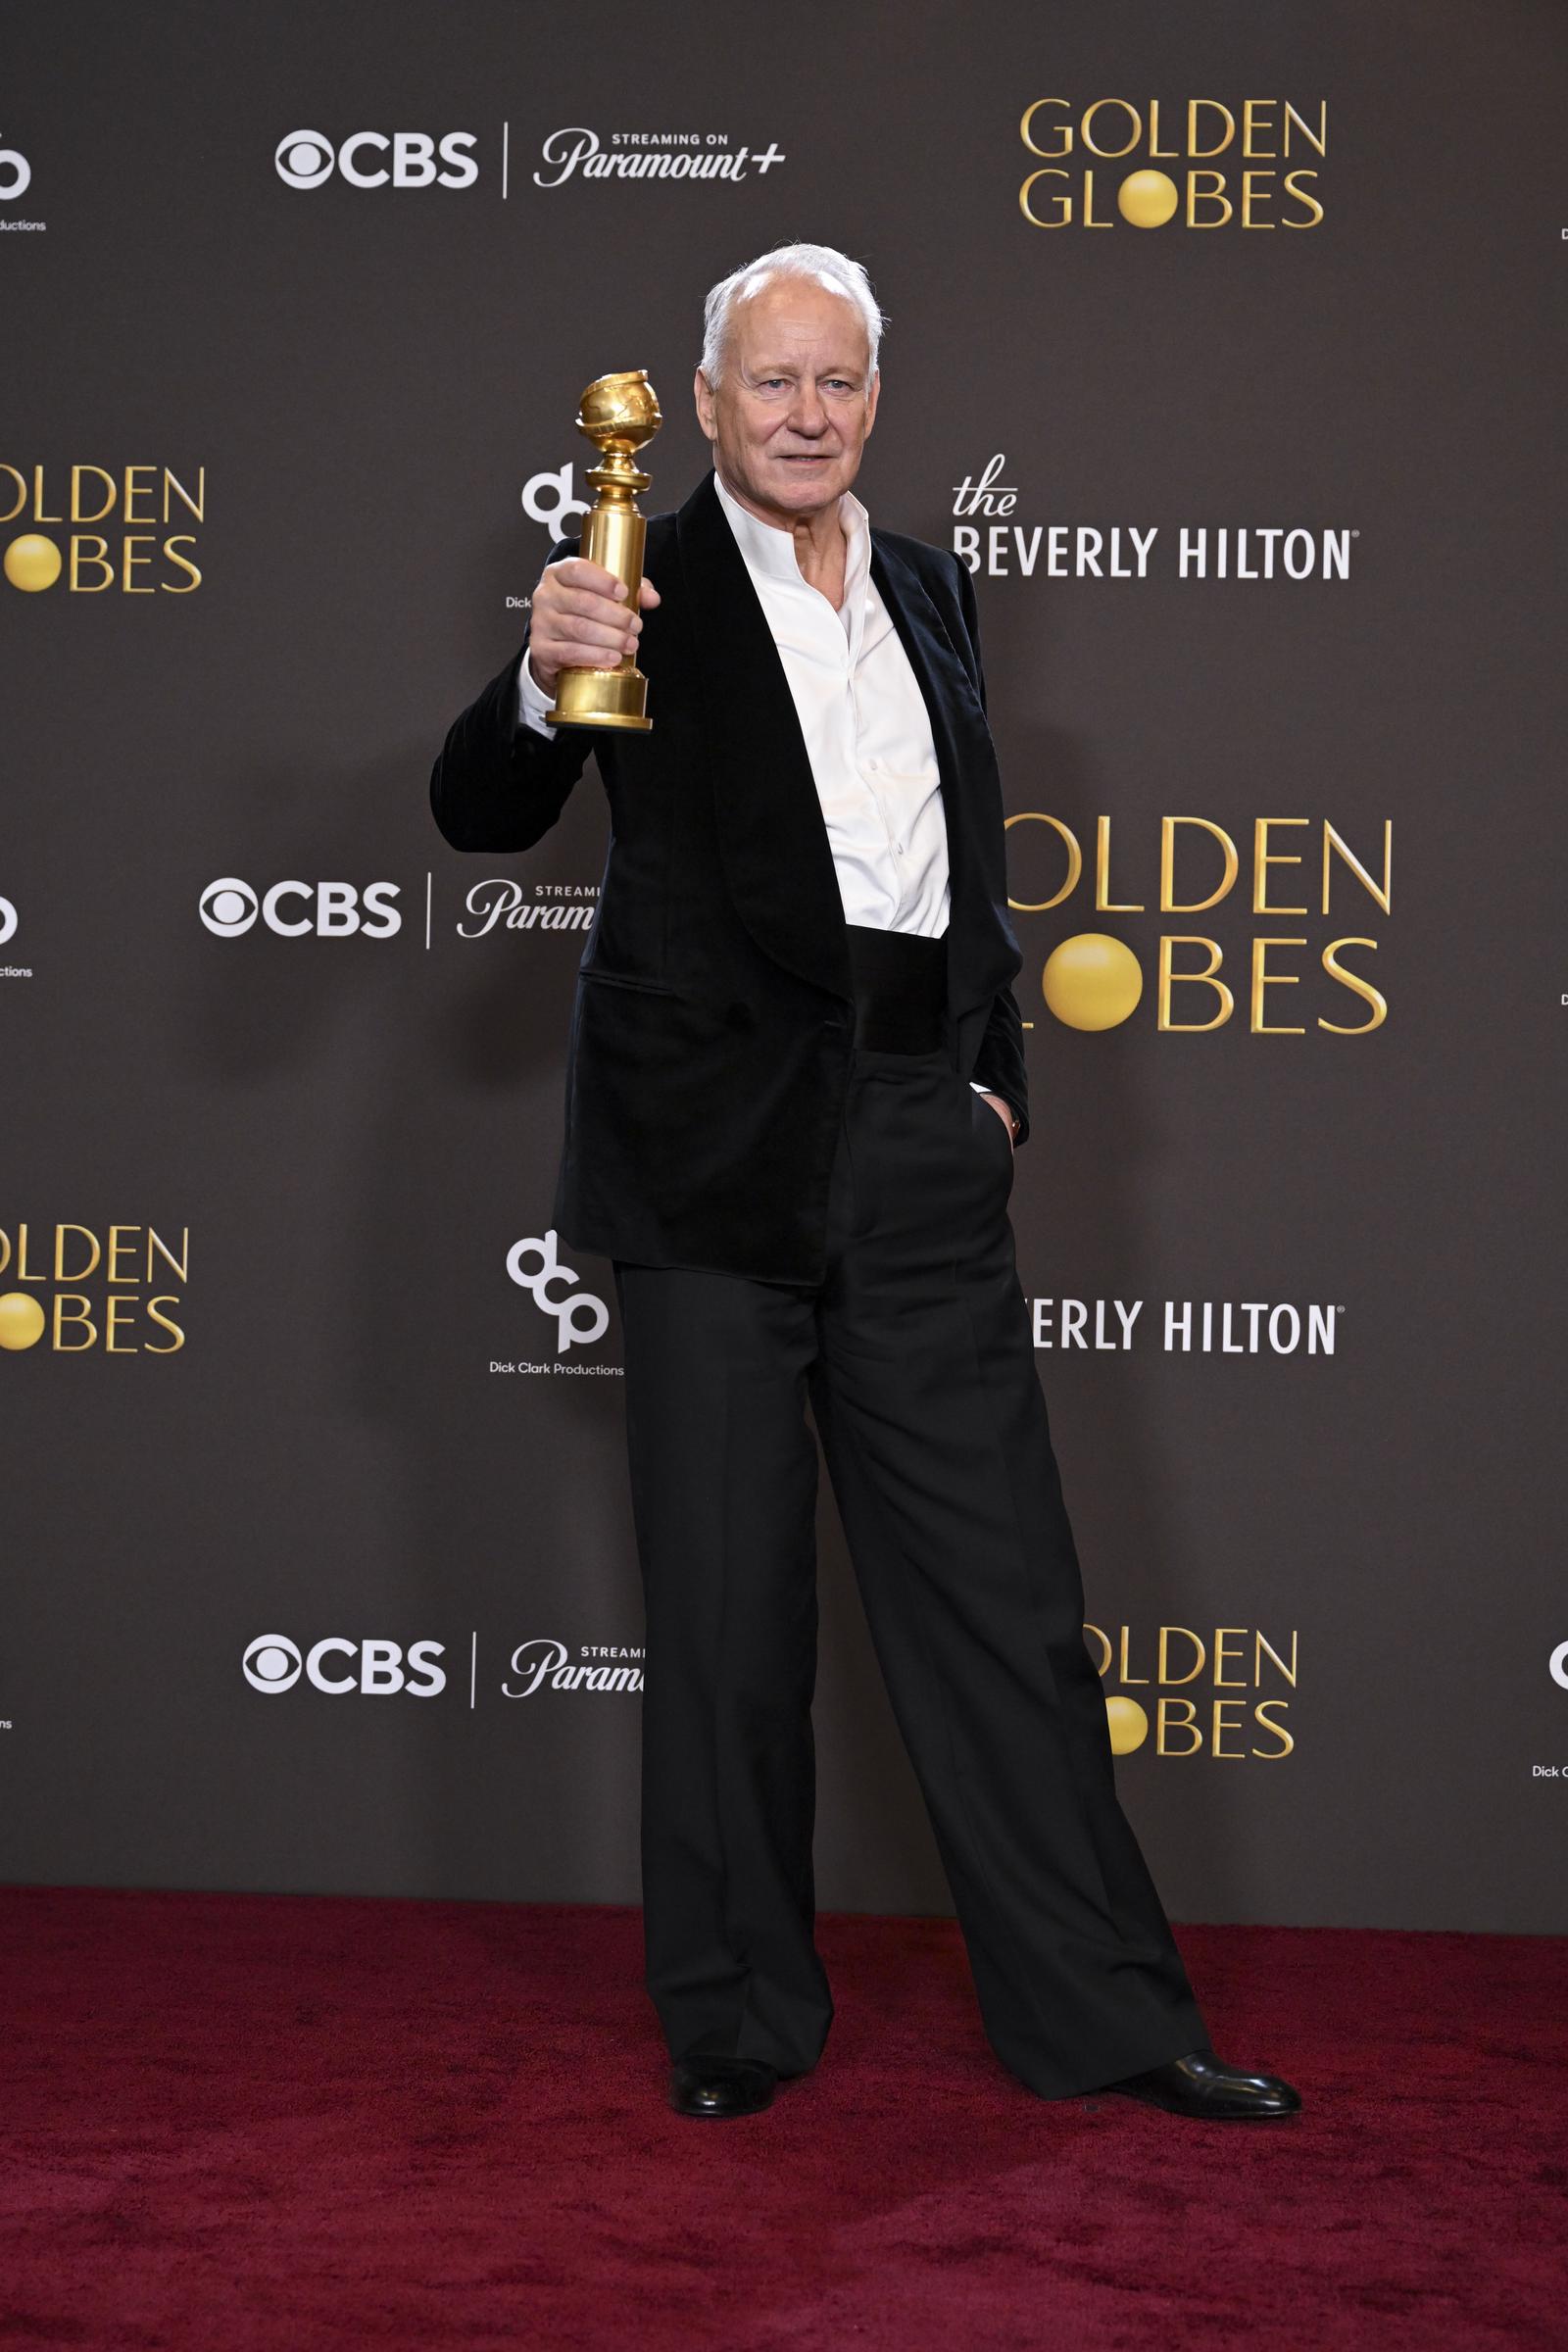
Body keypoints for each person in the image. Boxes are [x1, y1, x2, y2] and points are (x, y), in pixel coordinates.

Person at [430, 241, 1300, 2126]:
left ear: (877, 399)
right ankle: (738, 2020)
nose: (806, 415)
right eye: (770, 385)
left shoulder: (929, 583)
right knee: (731, 1623)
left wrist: (992, 1080)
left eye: (838, 383)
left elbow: (963, 869)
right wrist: (531, 677)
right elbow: (479, 808)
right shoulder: (628, 579)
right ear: (713, 397)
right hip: (710, 1165)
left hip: (916, 1138)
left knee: (1009, 1606)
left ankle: (1111, 2019)